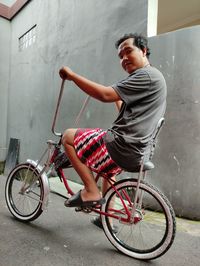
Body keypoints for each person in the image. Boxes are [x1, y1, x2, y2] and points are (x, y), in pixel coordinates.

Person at [59, 33, 167, 220]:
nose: (124, 58)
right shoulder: (151, 77)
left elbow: (105, 94)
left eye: (128, 51)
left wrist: (73, 76)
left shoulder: (146, 75)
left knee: (68, 136)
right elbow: (120, 106)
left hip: (122, 146)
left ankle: (91, 191)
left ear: (143, 51)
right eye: (120, 56)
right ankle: (106, 218)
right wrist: (117, 98)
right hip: (136, 151)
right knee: (108, 171)